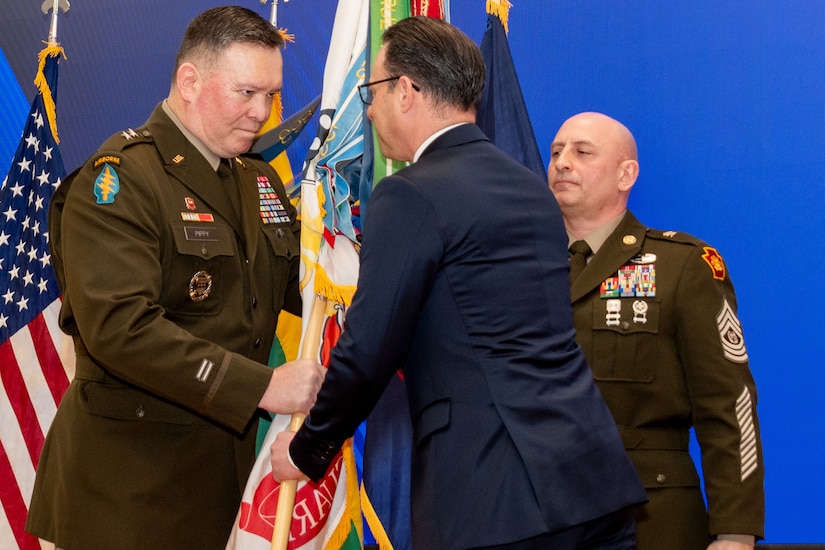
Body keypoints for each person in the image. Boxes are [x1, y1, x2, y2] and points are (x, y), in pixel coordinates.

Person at [269, 17, 647, 550]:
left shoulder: (409, 194)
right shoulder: (531, 189)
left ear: (405, 91)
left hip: (493, 499)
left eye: (371, 93)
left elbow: (371, 347)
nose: (368, 111)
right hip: (592, 481)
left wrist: (308, 449)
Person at [25, 6, 325, 549]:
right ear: (190, 81)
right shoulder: (120, 179)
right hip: (129, 498)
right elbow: (120, 328)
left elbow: (302, 287)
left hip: (223, 490)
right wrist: (262, 387)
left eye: (271, 95)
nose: (261, 113)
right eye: (246, 93)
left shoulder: (256, 179)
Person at [548, 111, 765, 549]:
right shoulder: (520, 265)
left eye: (582, 152)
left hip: (651, 519)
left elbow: (729, 406)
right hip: (540, 516)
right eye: (555, 153)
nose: (562, 163)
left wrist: (736, 533)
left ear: (626, 174)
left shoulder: (681, 265)